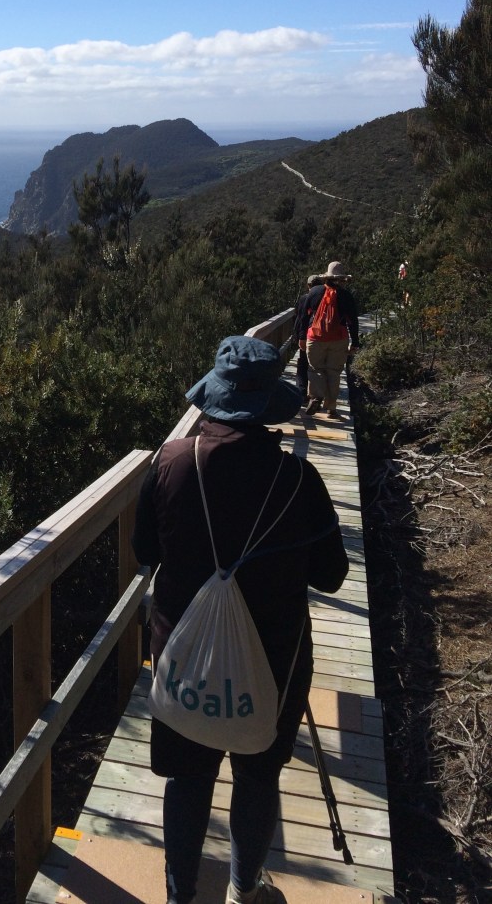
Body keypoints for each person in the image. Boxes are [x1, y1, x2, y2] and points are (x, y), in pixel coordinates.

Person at [133, 336, 349, 904]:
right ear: (268, 405)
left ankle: (181, 895)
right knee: (257, 776)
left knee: (187, 776)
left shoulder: (172, 463)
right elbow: (331, 576)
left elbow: (143, 550)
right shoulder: (300, 482)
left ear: (215, 397)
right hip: (273, 662)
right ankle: (243, 891)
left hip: (183, 654)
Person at [296, 261, 360, 419]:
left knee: (315, 368)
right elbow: (353, 321)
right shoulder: (346, 296)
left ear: (327, 277)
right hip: (339, 340)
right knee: (334, 372)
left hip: (315, 338)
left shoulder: (314, 292)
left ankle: (316, 397)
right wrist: (355, 342)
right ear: (342, 279)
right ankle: (331, 409)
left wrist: (302, 337)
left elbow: (304, 316)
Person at [292, 274, 324, 403]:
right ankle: (316, 394)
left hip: (305, 334)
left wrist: (299, 335)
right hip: (319, 336)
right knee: (317, 365)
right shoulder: (323, 298)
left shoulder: (304, 298)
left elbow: (299, 317)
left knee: (303, 363)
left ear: (308, 285)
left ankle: (301, 392)